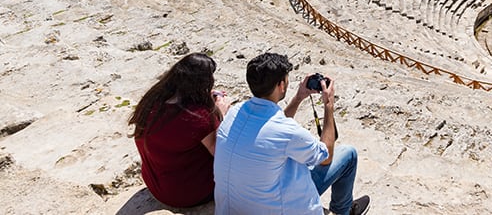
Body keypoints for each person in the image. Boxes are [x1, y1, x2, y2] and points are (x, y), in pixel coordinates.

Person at [214, 52, 370, 215]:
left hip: (233, 207)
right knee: (349, 154)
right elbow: (326, 156)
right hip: (276, 208)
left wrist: (298, 98)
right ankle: (341, 211)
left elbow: (271, 127)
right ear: (281, 85)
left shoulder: (234, 113)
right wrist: (329, 105)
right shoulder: (287, 131)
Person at [128, 52, 231, 208]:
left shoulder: (152, 100)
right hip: (187, 195)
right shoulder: (198, 117)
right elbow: (221, 153)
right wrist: (221, 114)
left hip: (155, 184)